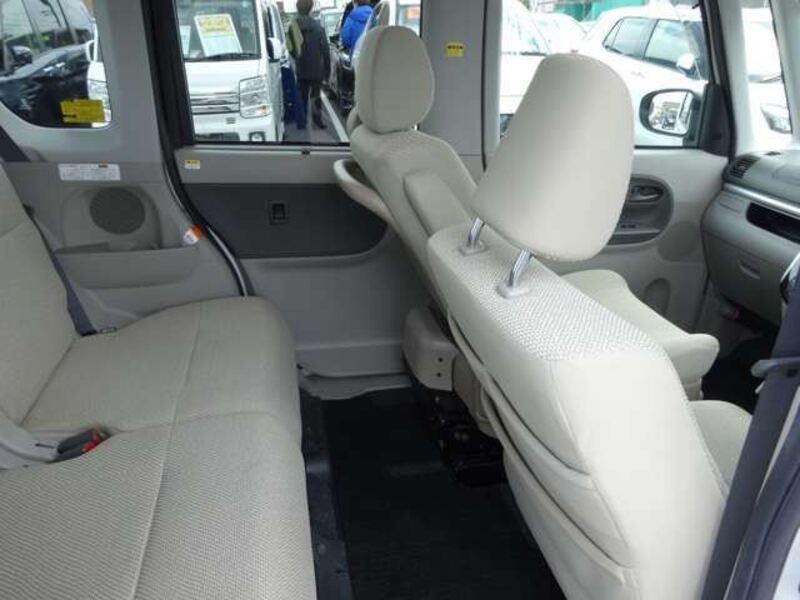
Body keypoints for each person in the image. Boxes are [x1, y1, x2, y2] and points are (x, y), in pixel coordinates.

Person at [289, 0, 331, 129]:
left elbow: (290, 48)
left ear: (298, 8)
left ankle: (302, 122)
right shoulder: (318, 27)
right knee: (315, 95)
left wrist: (297, 57)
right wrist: (327, 70)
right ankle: (317, 120)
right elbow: (325, 50)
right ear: (311, 8)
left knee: (302, 96)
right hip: (316, 68)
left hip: (301, 68)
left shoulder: (292, 27)